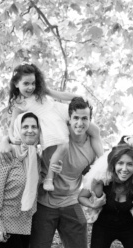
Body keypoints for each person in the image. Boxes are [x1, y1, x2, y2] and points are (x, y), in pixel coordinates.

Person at [6, 63, 103, 192]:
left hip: (58, 110)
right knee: (63, 145)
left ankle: (103, 161)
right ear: (16, 84)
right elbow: (12, 125)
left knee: (94, 129)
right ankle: (49, 178)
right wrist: (12, 138)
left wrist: (79, 97)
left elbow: (60, 95)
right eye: (26, 84)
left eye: (33, 83)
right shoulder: (18, 103)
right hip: (48, 120)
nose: (31, 87)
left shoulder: (40, 91)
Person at [28, 97, 99, 248]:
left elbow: (101, 168)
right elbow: (25, 136)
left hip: (71, 202)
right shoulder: (53, 133)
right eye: (76, 118)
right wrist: (4, 141)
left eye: (84, 118)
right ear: (69, 118)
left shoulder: (92, 145)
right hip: (44, 202)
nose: (80, 123)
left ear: (90, 120)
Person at [0, 112, 42, 248]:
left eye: (34, 127)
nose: (30, 130)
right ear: (18, 129)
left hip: (23, 221)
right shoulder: (6, 156)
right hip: (3, 219)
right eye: (25, 126)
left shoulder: (34, 156)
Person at [78, 145, 133, 248]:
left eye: (130, 164)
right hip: (103, 227)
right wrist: (93, 205)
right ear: (113, 164)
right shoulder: (101, 180)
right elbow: (81, 197)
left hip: (129, 227)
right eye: (120, 163)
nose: (124, 168)